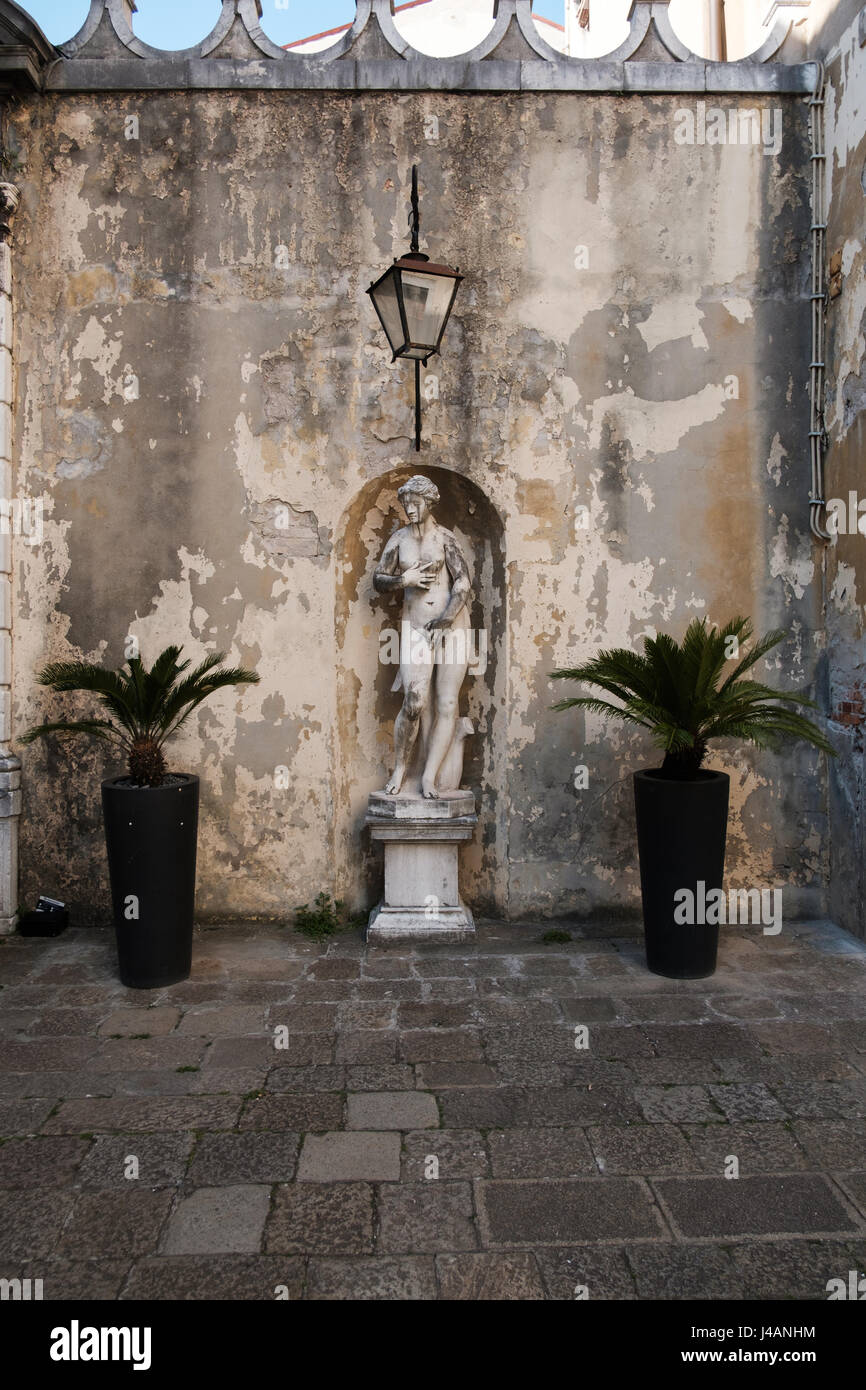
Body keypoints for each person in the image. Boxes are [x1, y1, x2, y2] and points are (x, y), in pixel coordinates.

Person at [373, 475, 472, 799]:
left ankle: (429, 777)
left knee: (446, 702)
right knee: (414, 700)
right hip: (415, 627)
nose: (410, 509)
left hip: (451, 625)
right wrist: (405, 579)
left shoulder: (445, 538)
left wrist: (447, 616)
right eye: (406, 504)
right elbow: (379, 579)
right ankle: (401, 768)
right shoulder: (399, 539)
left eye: (416, 503)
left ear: (429, 504)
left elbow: (462, 582)